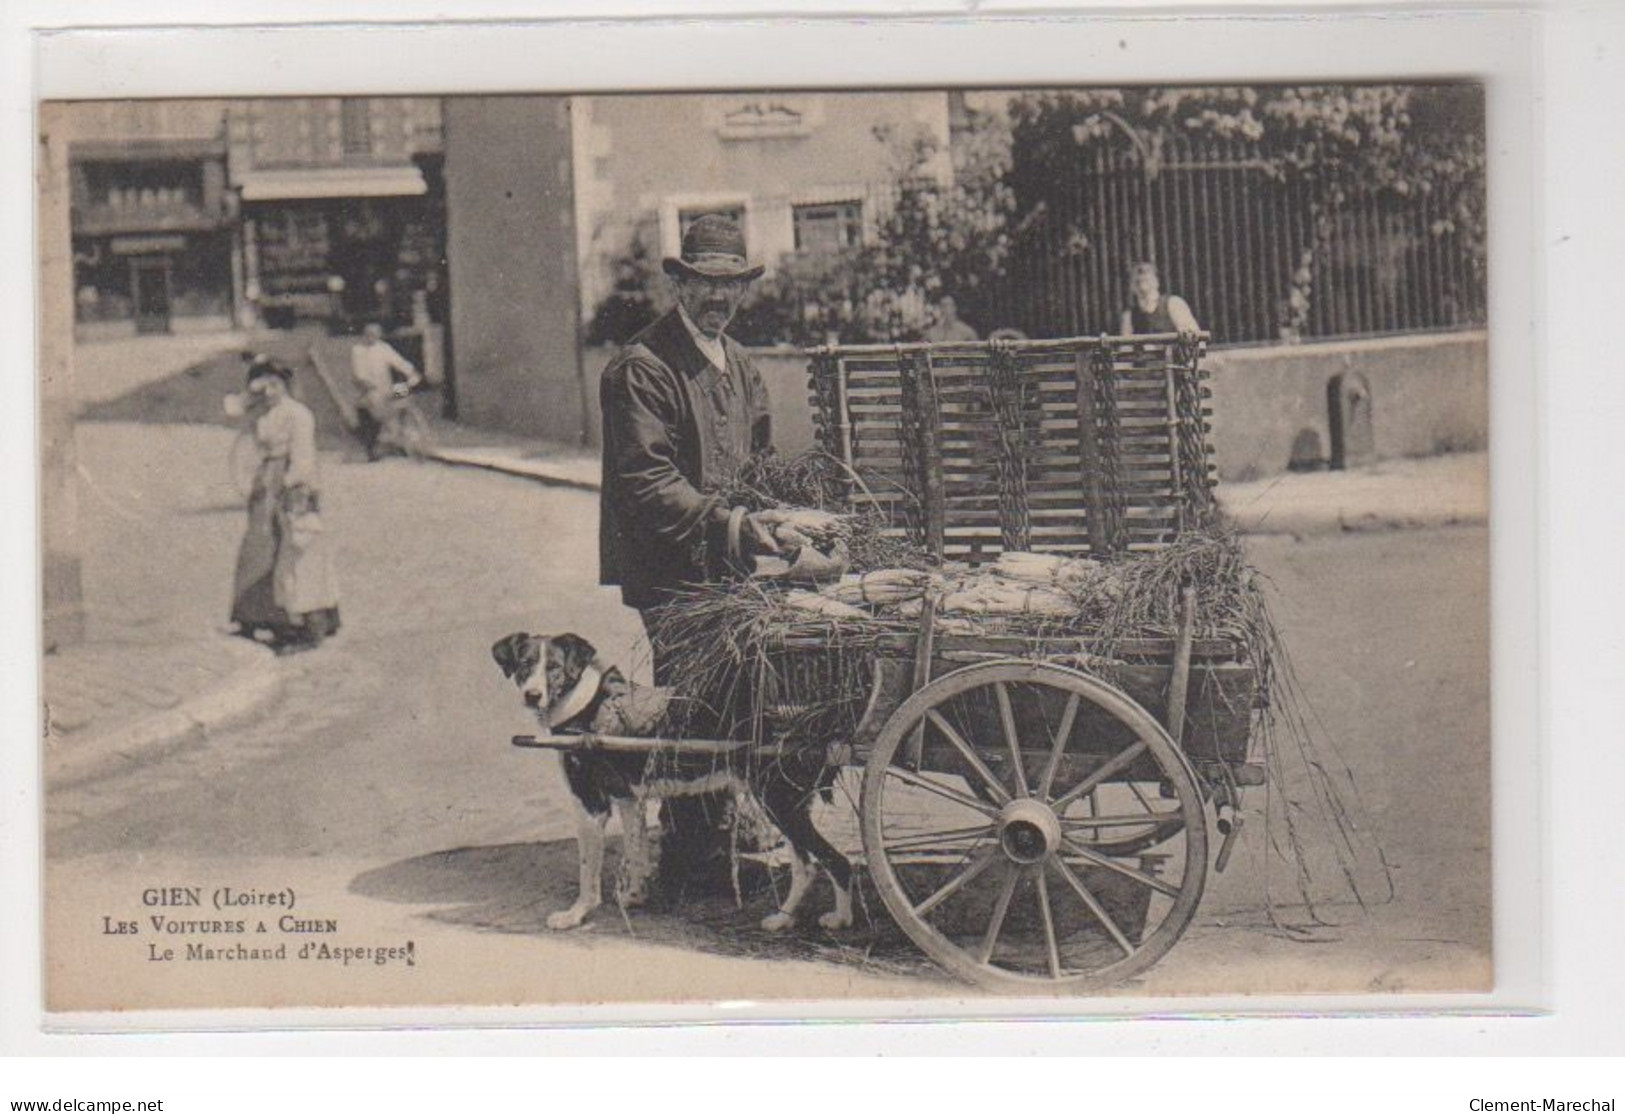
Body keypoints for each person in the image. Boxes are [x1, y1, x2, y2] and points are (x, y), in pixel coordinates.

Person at [599, 214, 785, 899]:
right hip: (669, 566)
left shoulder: (742, 367)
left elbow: (760, 463)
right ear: (677, 284)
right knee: (692, 698)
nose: (718, 298)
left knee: (733, 693)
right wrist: (734, 523)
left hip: (727, 563)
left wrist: (783, 516)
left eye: (730, 285)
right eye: (704, 284)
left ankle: (715, 824)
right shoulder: (642, 369)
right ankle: (690, 853)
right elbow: (647, 482)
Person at [229, 355, 341, 654]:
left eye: (276, 384)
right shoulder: (263, 413)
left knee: (295, 548)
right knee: (260, 544)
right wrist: (251, 396)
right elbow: (235, 414)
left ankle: (304, 619)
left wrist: (296, 486)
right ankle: (257, 615)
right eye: (265, 385)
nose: (270, 391)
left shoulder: (298, 414)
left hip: (289, 480)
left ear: (286, 384)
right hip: (266, 480)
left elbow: (304, 455)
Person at [350, 322, 421, 461]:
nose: (372, 337)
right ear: (364, 335)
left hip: (386, 389)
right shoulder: (357, 350)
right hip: (368, 391)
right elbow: (359, 374)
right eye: (369, 334)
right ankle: (380, 443)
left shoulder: (383, 348)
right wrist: (366, 384)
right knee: (377, 408)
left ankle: (403, 438)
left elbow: (398, 362)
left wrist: (411, 372)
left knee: (406, 393)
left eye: (375, 335)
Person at [1119, 261, 1201, 340]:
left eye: (1148, 281)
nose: (1143, 288)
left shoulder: (1174, 304)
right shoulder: (1129, 316)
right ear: (1132, 287)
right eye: (1138, 283)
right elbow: (1126, 348)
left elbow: (1194, 338)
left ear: (1156, 282)